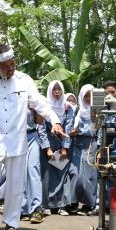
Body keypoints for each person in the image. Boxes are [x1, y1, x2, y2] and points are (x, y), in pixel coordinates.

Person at [0, 44, 64, 230]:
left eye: (13, 64)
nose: (10, 68)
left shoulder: (24, 80)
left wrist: (54, 120)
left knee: (16, 184)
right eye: (5, 66)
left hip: (17, 140)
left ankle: (12, 222)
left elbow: (40, 103)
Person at [41, 80, 74, 215]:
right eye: (54, 89)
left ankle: (61, 205)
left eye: (59, 89)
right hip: (47, 143)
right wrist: (47, 148)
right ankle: (46, 205)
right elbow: (41, 128)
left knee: (61, 174)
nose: (57, 92)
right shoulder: (44, 107)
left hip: (62, 143)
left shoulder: (67, 107)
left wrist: (65, 147)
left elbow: (68, 126)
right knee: (46, 174)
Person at [70, 84, 98, 215]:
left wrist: (100, 147)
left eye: (90, 96)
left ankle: (89, 203)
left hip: (91, 144)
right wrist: (72, 132)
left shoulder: (97, 111)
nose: (87, 98)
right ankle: (73, 201)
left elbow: (100, 130)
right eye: (85, 96)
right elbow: (69, 127)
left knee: (89, 175)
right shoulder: (76, 111)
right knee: (75, 173)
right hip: (77, 144)